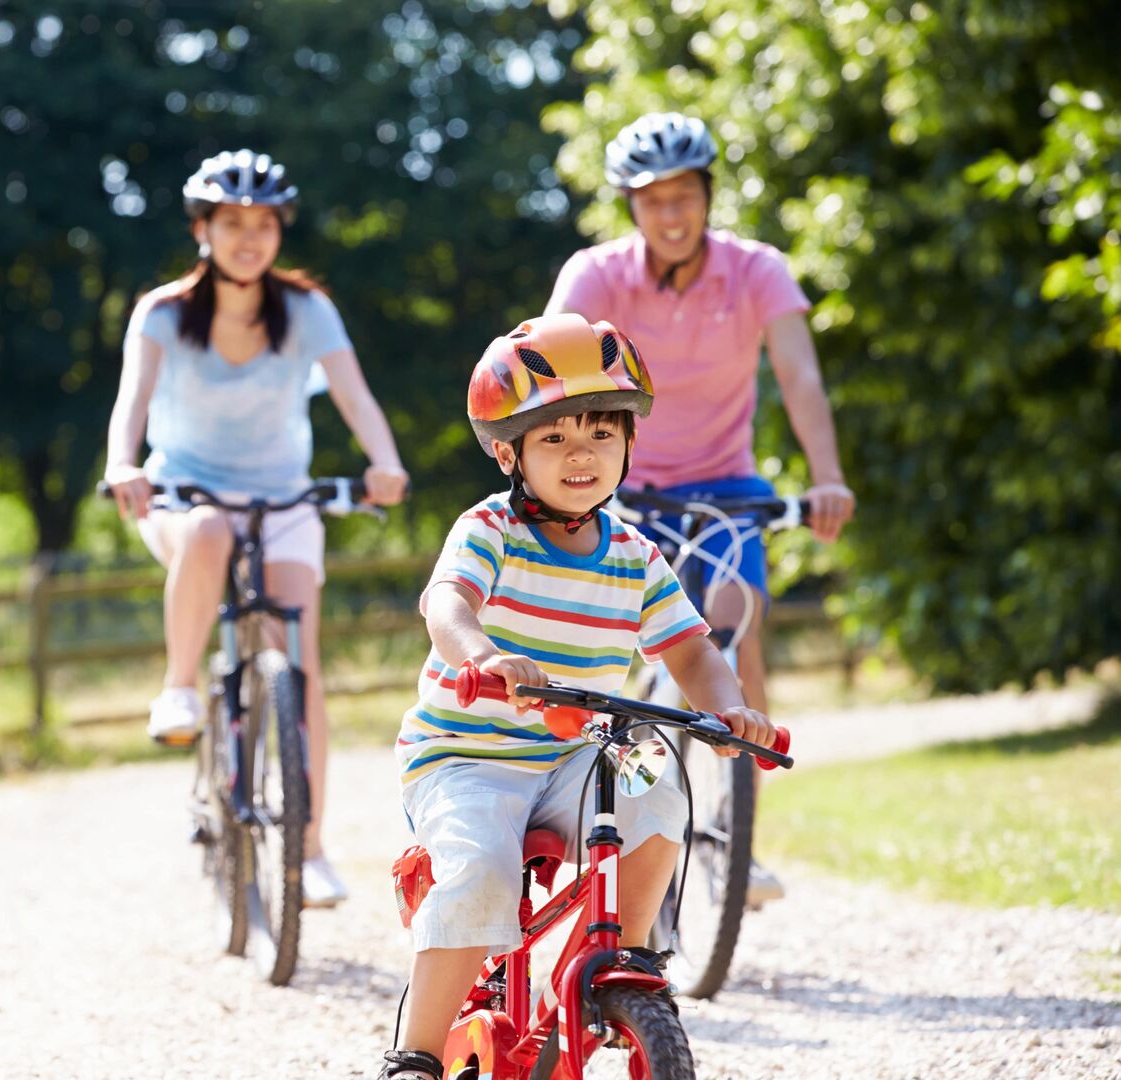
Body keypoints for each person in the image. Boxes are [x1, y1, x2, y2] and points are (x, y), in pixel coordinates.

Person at [377, 313, 776, 1080]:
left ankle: (623, 959)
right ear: (509, 452)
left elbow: (692, 648)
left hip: (576, 754)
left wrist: (727, 708)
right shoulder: (488, 528)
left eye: (600, 433)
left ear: (629, 443)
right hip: (468, 756)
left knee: (658, 784)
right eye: (554, 438)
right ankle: (416, 1055)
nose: (581, 454)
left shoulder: (635, 555)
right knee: (480, 871)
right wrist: (485, 655)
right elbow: (446, 605)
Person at [544, 111, 855, 905]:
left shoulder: (756, 271)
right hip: (625, 488)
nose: (672, 214)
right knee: (623, 660)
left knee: (732, 615)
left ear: (708, 196)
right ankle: (635, 810)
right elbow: (552, 367)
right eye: (654, 200)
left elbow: (801, 379)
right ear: (630, 207)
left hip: (725, 486)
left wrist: (826, 476)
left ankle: (733, 834)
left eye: (685, 196)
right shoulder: (598, 274)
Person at [104, 149, 408, 908]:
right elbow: (131, 402)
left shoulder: (306, 310)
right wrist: (122, 464)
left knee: (297, 662)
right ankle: (178, 689)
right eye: (232, 223)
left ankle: (308, 850)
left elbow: (356, 396)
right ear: (203, 229)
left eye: (264, 225)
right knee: (206, 533)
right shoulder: (165, 313)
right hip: (184, 495)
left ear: (279, 233)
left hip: (282, 501)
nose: (249, 238)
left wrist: (385, 460)